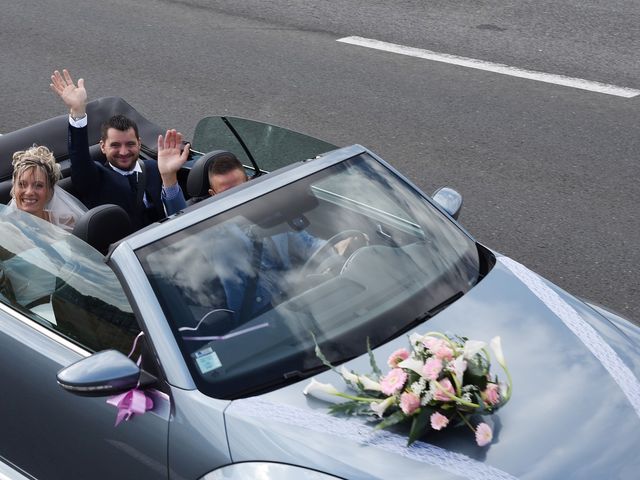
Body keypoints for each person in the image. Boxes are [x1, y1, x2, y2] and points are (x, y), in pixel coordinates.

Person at [50, 69, 190, 230]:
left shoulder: (155, 169)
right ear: (102, 146)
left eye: (130, 144)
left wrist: (169, 177)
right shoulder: (95, 178)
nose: (123, 152)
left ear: (139, 143)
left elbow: (181, 219)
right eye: (115, 145)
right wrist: (78, 112)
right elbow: (79, 156)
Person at [7, 145, 87, 232]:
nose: (29, 192)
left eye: (38, 185)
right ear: (14, 188)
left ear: (50, 191)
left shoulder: (65, 223)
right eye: (22, 184)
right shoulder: (4, 226)